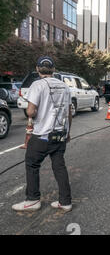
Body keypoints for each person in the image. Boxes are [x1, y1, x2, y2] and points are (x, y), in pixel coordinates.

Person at [12, 56, 73, 212]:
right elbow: (69, 112)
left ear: (37, 69)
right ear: (53, 70)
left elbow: (30, 112)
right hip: (60, 134)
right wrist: (68, 133)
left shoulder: (37, 85)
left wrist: (33, 111)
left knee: (32, 164)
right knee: (59, 166)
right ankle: (65, 202)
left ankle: (32, 200)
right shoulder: (64, 86)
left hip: (42, 135)